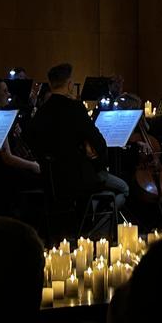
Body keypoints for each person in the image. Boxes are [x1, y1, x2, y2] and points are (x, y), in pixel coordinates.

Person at [27, 63, 127, 213]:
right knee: (124, 189)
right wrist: (100, 164)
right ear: (69, 84)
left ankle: (90, 215)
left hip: (51, 179)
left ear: (50, 84)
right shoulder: (75, 108)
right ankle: (99, 222)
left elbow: (31, 139)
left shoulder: (41, 112)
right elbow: (98, 142)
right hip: (78, 177)